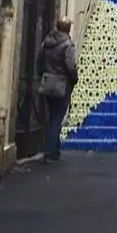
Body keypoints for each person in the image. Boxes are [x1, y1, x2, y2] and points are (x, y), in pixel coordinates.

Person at [38, 16, 78, 162]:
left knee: (52, 116)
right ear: (68, 28)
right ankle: (50, 152)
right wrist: (75, 79)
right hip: (62, 84)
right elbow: (71, 66)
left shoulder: (47, 41)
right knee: (57, 118)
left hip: (48, 81)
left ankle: (55, 150)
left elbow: (39, 60)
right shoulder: (67, 45)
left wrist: (42, 75)